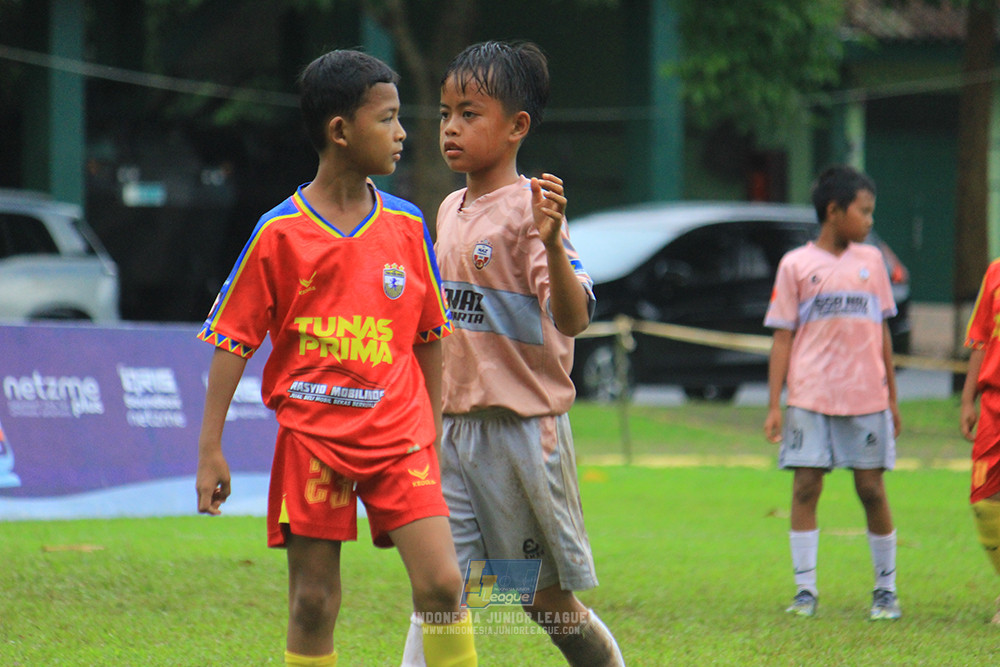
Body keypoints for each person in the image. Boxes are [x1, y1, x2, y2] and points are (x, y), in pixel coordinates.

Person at [194, 50, 476, 667]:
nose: (403, 133)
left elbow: (431, 336)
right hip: (311, 440)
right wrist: (210, 448)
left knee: (443, 585)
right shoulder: (278, 233)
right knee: (314, 602)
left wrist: (429, 431)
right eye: (389, 119)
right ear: (340, 131)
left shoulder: (406, 227)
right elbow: (232, 338)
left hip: (400, 436)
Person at [399, 41, 624, 667]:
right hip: (454, 434)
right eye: (445, 113)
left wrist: (552, 244)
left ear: (517, 126)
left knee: (543, 603)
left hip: (521, 436)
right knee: (441, 588)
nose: (451, 127)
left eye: (470, 113)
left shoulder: (533, 210)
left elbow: (573, 318)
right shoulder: (447, 208)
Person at [763, 165, 902, 621]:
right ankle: (805, 591)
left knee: (871, 489)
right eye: (863, 211)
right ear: (833, 211)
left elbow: (881, 331)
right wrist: (774, 404)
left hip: (866, 396)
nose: (868, 220)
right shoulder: (796, 265)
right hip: (809, 395)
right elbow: (782, 337)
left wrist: (893, 398)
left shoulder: (872, 262)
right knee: (805, 486)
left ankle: (886, 590)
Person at [960, 258, 1000, 624]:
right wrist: (967, 399)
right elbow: (980, 340)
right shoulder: (994, 272)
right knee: (985, 502)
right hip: (993, 406)